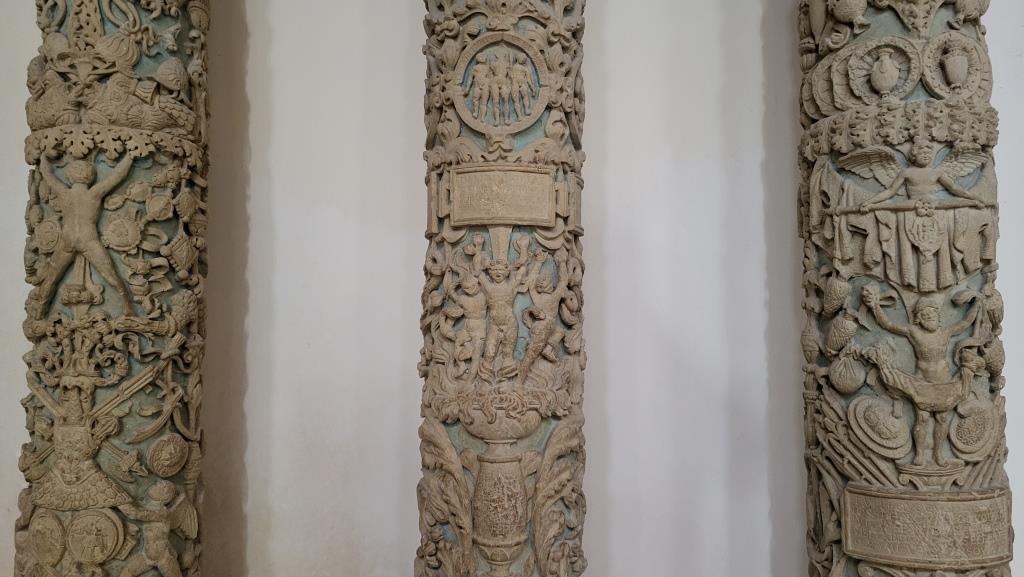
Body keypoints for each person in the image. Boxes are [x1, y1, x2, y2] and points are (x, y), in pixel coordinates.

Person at [31, 153, 137, 319]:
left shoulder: (64, 192)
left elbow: (48, 175)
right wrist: (130, 156)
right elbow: (117, 175)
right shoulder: (93, 193)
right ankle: (127, 306)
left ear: (69, 176)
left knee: (51, 278)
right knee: (111, 275)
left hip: (68, 240)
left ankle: (40, 311)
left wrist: (43, 156)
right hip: (88, 240)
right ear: (90, 176)